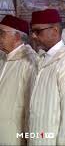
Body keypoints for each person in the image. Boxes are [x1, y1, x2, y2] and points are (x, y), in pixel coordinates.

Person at [27, 9, 65, 145]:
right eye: (32, 32)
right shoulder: (40, 59)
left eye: (38, 31)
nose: (33, 36)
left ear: (55, 30)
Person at [0, 15, 37, 145]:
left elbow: (31, 105)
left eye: (2, 33)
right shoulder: (2, 58)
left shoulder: (29, 62)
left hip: (13, 134)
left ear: (16, 37)